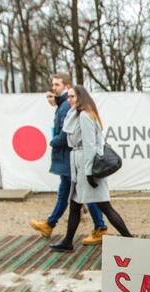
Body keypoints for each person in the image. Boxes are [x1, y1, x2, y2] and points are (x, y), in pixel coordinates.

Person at [50, 85, 132, 251]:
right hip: (81, 167)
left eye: (72, 96)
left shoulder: (84, 116)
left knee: (105, 207)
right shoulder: (78, 115)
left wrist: (88, 173)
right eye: (68, 96)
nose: (69, 99)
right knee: (75, 205)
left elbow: (89, 145)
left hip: (87, 167)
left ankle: (130, 240)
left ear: (80, 97)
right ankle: (67, 241)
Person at [30, 73, 109, 246]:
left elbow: (68, 135)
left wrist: (53, 141)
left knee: (80, 197)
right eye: (53, 84)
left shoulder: (69, 107)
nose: (54, 88)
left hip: (70, 159)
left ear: (67, 87)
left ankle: (99, 228)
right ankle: (55, 228)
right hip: (70, 159)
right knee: (72, 196)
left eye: (57, 84)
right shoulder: (65, 105)